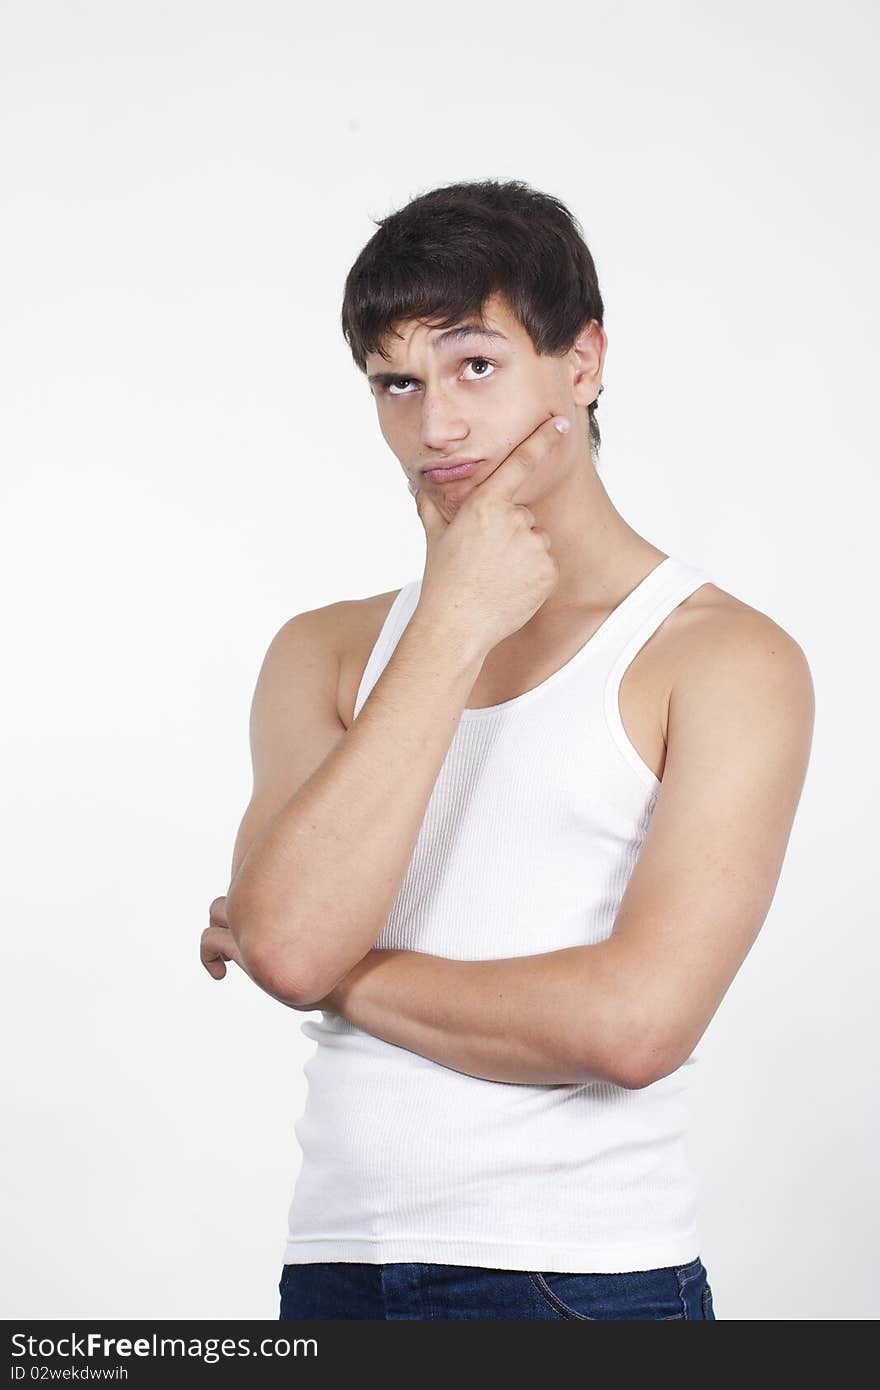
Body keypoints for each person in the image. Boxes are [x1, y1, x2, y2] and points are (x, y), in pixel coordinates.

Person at [200, 178, 814, 1321]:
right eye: (397, 381)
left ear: (581, 363)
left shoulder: (724, 660)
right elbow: (286, 946)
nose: (435, 425)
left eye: (474, 365)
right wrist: (454, 618)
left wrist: (332, 971)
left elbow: (633, 1026)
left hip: (578, 1284)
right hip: (333, 1270)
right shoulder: (324, 651)